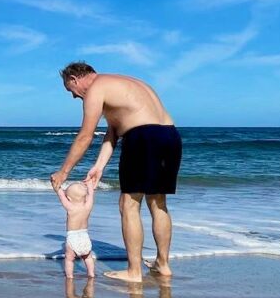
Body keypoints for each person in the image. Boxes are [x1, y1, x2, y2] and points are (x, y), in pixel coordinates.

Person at [50, 61, 182, 283]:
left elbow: (85, 136)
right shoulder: (123, 83)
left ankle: (134, 271)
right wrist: (99, 166)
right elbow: (113, 132)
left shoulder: (95, 89)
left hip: (144, 138)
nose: (73, 97)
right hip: (170, 136)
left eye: (69, 90)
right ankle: (163, 264)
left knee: (129, 204)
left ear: (74, 80)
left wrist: (63, 172)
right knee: (158, 202)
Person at [54, 180, 96, 278]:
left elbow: (61, 196)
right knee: (88, 257)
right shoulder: (88, 206)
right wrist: (89, 185)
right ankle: (91, 273)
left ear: (69, 198)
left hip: (73, 237)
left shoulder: (71, 208)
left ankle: (70, 276)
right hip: (85, 236)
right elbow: (91, 195)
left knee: (69, 259)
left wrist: (57, 186)